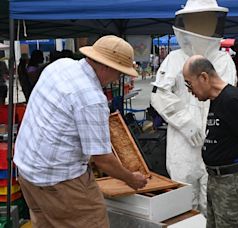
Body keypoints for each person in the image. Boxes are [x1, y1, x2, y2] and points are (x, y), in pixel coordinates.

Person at [13, 35, 148, 227]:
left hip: (27, 171)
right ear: (106, 66)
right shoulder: (92, 98)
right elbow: (102, 159)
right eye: (119, 73)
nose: (117, 78)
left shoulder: (60, 65)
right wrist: (131, 179)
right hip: (59, 181)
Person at [150, 0, 237, 215]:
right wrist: (186, 123)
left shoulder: (224, 60)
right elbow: (159, 95)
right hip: (183, 141)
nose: (203, 24)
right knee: (183, 201)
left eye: (208, 18)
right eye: (197, 19)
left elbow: (227, 100)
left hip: (215, 140)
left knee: (212, 203)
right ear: (185, 23)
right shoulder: (174, 58)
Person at [182, 55, 238, 228]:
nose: (189, 91)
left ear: (204, 77)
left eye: (189, 84)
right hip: (218, 181)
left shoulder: (232, 100)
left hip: (234, 183)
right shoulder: (216, 100)